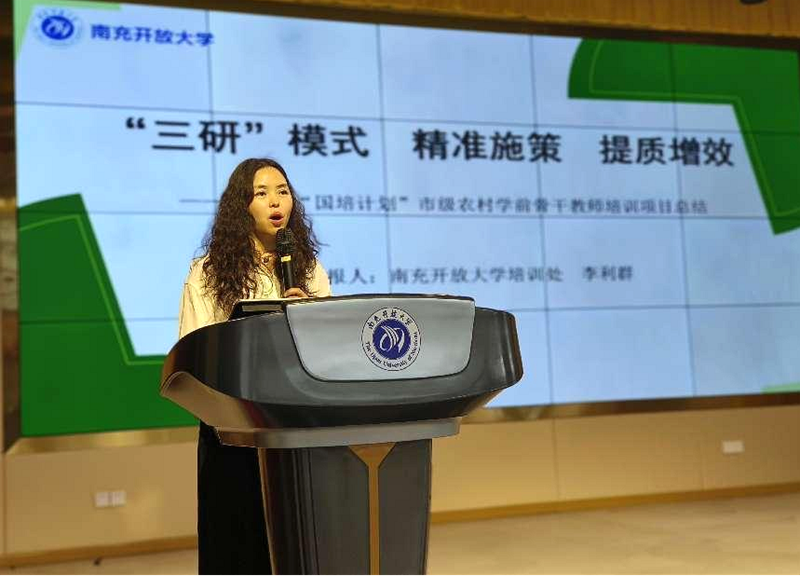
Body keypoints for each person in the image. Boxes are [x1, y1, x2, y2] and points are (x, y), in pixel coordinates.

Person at [177, 158, 331, 576]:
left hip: (295, 424)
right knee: (237, 542)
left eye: (282, 191)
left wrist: (310, 318)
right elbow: (194, 352)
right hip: (233, 427)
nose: (275, 202)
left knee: (296, 541)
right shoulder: (208, 272)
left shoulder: (308, 270)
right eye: (261, 193)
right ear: (240, 206)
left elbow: (330, 351)